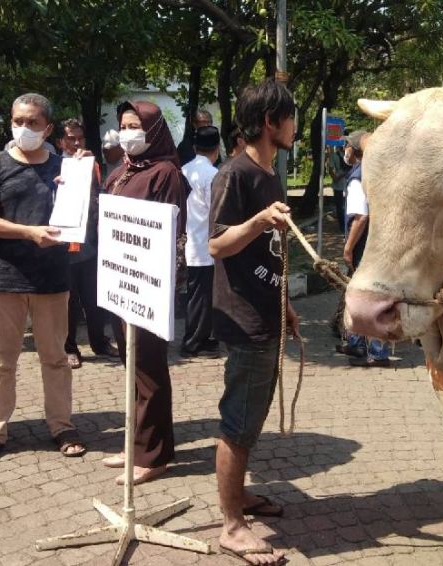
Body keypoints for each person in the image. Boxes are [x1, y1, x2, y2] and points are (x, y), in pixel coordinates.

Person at [0, 93, 87, 468]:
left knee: (55, 359)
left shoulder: (66, 168)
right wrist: (27, 232)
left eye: (34, 122)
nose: (25, 128)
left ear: (48, 128)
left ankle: (62, 427)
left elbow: (80, 214)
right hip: (4, 279)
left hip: (52, 279)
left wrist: (82, 177)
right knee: (2, 360)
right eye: (19, 120)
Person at [208, 78, 299, 566]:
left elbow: (269, 253)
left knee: (252, 418)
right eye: (290, 117)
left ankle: (240, 498)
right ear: (270, 122)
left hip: (268, 316)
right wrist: (260, 220)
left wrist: (285, 305)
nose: (295, 125)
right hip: (244, 322)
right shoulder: (235, 174)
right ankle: (232, 526)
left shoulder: (269, 172)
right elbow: (217, 244)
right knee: (238, 425)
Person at [100, 100, 189, 485]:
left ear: (152, 130)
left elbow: (169, 231)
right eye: (123, 125)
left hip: (148, 286)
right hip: (119, 281)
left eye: (135, 125)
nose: (128, 132)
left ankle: (154, 456)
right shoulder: (121, 171)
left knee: (149, 370)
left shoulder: (165, 172)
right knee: (132, 369)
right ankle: (136, 443)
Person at [57, 118, 119, 369]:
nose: (76, 142)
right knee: (69, 303)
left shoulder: (92, 165)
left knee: (94, 299)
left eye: (79, 138)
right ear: (60, 141)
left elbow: (97, 195)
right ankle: (69, 348)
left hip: (91, 243)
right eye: (70, 138)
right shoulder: (53, 166)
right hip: (64, 247)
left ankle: (100, 342)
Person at [336, 130, 391, 368]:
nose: (344, 152)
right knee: (357, 292)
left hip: (363, 246)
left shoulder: (358, 177)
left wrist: (348, 247)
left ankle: (378, 352)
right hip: (377, 243)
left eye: (346, 147)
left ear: (354, 150)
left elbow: (360, 217)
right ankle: (355, 341)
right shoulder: (378, 174)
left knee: (370, 294)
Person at [180, 125, 221, 358]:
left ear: (195, 147)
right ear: (216, 148)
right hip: (204, 242)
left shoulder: (184, 169)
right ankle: (193, 341)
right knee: (201, 295)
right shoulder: (213, 175)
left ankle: (202, 337)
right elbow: (216, 211)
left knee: (198, 292)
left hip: (190, 239)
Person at [328, 144, 351, 233]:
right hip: (341, 184)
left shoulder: (340, 155)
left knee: (342, 206)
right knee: (341, 207)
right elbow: (330, 168)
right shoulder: (347, 154)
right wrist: (335, 177)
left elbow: (330, 168)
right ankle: (344, 226)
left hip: (345, 184)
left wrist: (335, 177)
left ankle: (344, 226)